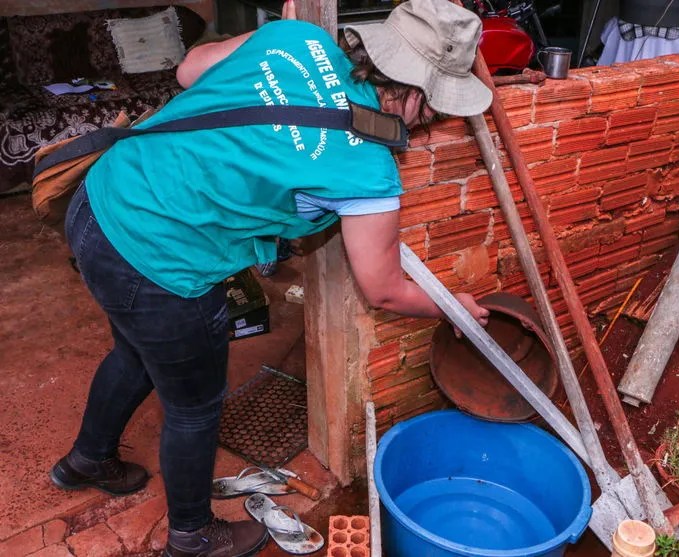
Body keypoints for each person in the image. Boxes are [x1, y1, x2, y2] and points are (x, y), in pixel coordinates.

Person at [51, 0, 493, 555]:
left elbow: (191, 70)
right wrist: (456, 306)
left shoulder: (293, 39)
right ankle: (192, 536)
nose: (434, 123)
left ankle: (86, 461)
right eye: (437, 110)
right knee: (193, 407)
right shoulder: (366, 169)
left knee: (135, 352)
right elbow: (383, 288)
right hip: (161, 262)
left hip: (101, 203)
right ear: (418, 92)